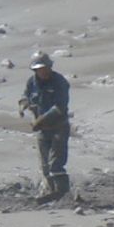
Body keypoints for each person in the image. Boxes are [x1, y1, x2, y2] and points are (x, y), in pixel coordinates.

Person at [22, 51, 72, 203]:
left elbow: (60, 107)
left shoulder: (60, 82)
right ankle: (51, 194)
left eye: (45, 68)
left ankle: (64, 194)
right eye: (39, 69)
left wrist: (41, 120)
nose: (42, 72)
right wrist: (23, 104)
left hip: (59, 128)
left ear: (50, 67)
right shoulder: (32, 82)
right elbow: (26, 96)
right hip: (43, 131)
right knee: (45, 166)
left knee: (56, 164)